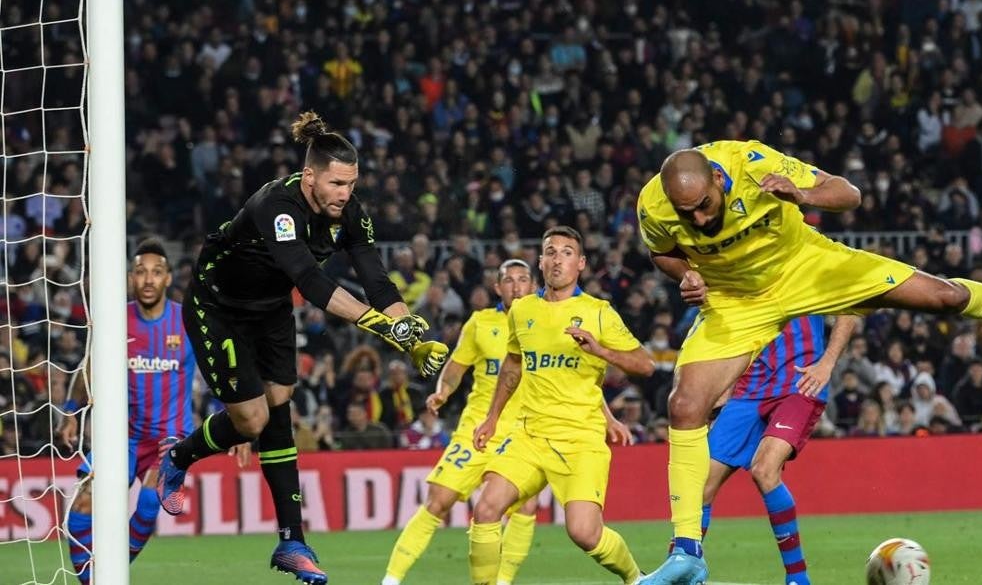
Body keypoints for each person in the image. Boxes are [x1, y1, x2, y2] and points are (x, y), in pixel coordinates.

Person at [634, 138, 982, 582]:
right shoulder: (653, 206)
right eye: (687, 212)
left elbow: (848, 194)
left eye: (704, 207)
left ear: (720, 180)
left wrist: (802, 195)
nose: (697, 220)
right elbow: (664, 253)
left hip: (805, 268)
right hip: (738, 299)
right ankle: (686, 553)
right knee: (683, 405)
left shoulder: (753, 164)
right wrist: (689, 275)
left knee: (942, 296)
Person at [155, 112, 449, 585]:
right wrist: (379, 327)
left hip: (269, 310)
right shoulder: (278, 205)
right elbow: (310, 282)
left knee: (279, 406)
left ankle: (292, 541)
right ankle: (179, 458)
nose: (345, 194)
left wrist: (409, 332)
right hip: (218, 306)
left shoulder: (350, 212)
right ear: (310, 175)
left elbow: (377, 280)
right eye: (336, 183)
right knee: (251, 420)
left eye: (351, 184)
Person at [468, 226, 654, 584]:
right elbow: (513, 364)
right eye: (550, 251)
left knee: (584, 533)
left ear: (581, 263)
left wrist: (600, 351)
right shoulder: (522, 310)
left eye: (567, 252)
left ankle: (635, 578)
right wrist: (492, 418)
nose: (557, 259)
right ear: (540, 261)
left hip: (580, 439)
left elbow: (645, 365)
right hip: (530, 435)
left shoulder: (599, 312)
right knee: (486, 508)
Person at [59, 239, 250, 584]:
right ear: (131, 278)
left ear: (167, 279)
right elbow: (90, 367)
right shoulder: (116, 320)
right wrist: (71, 411)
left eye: (156, 272)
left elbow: (218, 373)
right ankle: (94, 581)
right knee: (80, 512)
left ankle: (113, 572)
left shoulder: (187, 321)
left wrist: (237, 425)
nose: (148, 279)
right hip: (123, 437)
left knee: (149, 503)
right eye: (141, 272)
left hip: (170, 437)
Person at [384, 259, 549, 585]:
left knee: (526, 506)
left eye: (523, 279)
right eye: (508, 280)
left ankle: (501, 582)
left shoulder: (546, 323)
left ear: (533, 285)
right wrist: (442, 392)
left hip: (522, 433)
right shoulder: (479, 322)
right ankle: (390, 580)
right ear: (497, 287)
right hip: (476, 428)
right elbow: (456, 367)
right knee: (438, 500)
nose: (516, 286)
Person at [701, 314, 857, 585]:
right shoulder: (743, 273)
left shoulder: (812, 271)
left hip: (799, 384)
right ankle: (681, 567)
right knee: (699, 486)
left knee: (764, 470)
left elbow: (848, 310)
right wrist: (722, 386)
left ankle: (797, 578)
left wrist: (827, 363)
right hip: (749, 387)